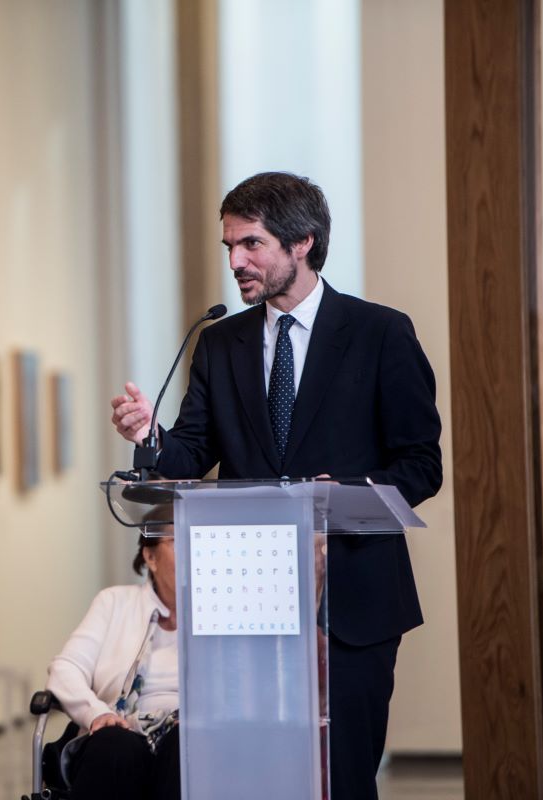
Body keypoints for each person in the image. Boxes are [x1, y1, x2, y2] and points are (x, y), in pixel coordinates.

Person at [110, 172, 442, 799]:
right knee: (251, 779)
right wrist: (151, 436)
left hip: (351, 603)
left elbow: (421, 464)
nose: (236, 261)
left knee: (342, 779)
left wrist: (338, 493)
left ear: (302, 244)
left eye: (252, 244)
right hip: (244, 602)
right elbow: (190, 453)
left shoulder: (380, 333)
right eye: (230, 246)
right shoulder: (220, 342)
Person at [46, 519, 180, 800]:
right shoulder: (114, 602)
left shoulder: (220, 614)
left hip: (187, 730)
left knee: (189, 745)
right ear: (150, 557)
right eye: (177, 540)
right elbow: (66, 667)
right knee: (115, 746)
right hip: (120, 727)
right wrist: (96, 712)